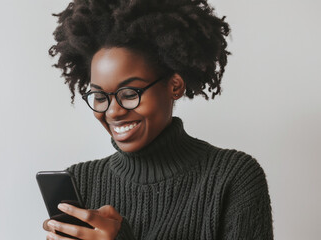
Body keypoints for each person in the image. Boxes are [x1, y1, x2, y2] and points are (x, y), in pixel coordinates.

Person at [42, 0, 273, 239]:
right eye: (100, 96)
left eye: (130, 94)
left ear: (175, 86)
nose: (112, 112)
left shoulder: (233, 177)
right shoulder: (81, 182)